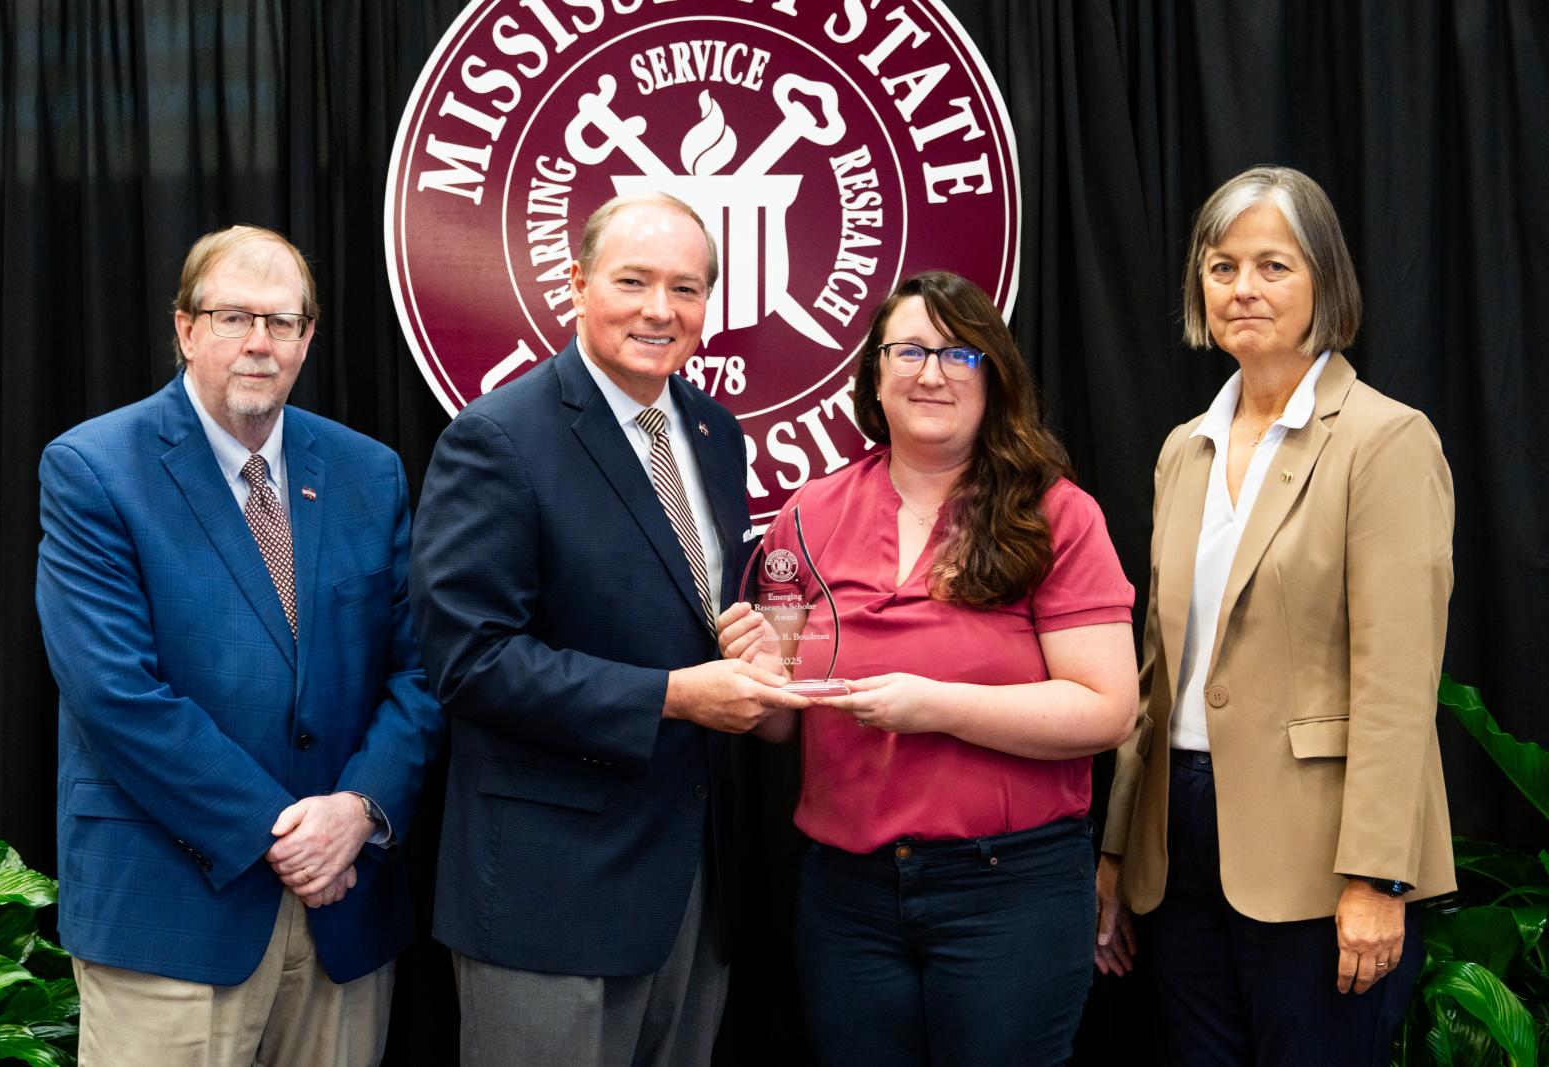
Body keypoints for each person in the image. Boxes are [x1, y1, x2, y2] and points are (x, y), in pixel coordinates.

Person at [410, 192, 808, 1067]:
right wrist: (672, 695)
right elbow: (468, 660)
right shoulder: (499, 438)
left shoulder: (712, 433)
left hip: (695, 886)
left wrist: (741, 643)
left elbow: (684, 605)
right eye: (633, 281)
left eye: (686, 288)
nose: (659, 310)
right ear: (579, 284)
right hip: (550, 892)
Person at [35, 225, 445, 1066]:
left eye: (283, 321)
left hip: (344, 912)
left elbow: (421, 669)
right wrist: (283, 833)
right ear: (185, 328)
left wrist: (358, 809)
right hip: (172, 912)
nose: (260, 342)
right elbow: (117, 695)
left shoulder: (370, 473)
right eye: (233, 317)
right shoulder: (94, 469)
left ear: (308, 337)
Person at [717, 270, 1139, 1066]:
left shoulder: (1055, 513)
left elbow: (1107, 709)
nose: (931, 372)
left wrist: (936, 704)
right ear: (876, 375)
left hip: (1009, 891)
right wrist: (756, 669)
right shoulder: (809, 513)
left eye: (959, 354)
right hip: (848, 897)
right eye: (908, 350)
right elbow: (778, 720)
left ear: (995, 376)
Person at [1093, 165, 1456, 1065]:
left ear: (1325, 280)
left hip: (1321, 856)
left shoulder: (1384, 438)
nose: (1243, 288)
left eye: (1273, 265)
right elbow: (1156, 669)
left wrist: (1378, 873)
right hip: (1176, 849)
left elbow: (1397, 680)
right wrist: (1115, 854)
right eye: (1222, 267)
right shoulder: (1185, 448)